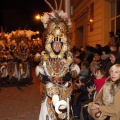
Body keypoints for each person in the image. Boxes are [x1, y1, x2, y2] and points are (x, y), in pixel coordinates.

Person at [35, 1, 80, 120]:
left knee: (64, 113)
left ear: (62, 44)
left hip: (64, 89)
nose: (57, 46)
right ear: (51, 43)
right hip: (50, 91)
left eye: (59, 43)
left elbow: (75, 68)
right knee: (49, 114)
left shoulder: (68, 56)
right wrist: (44, 78)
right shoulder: (45, 56)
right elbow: (39, 70)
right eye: (55, 43)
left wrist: (70, 74)